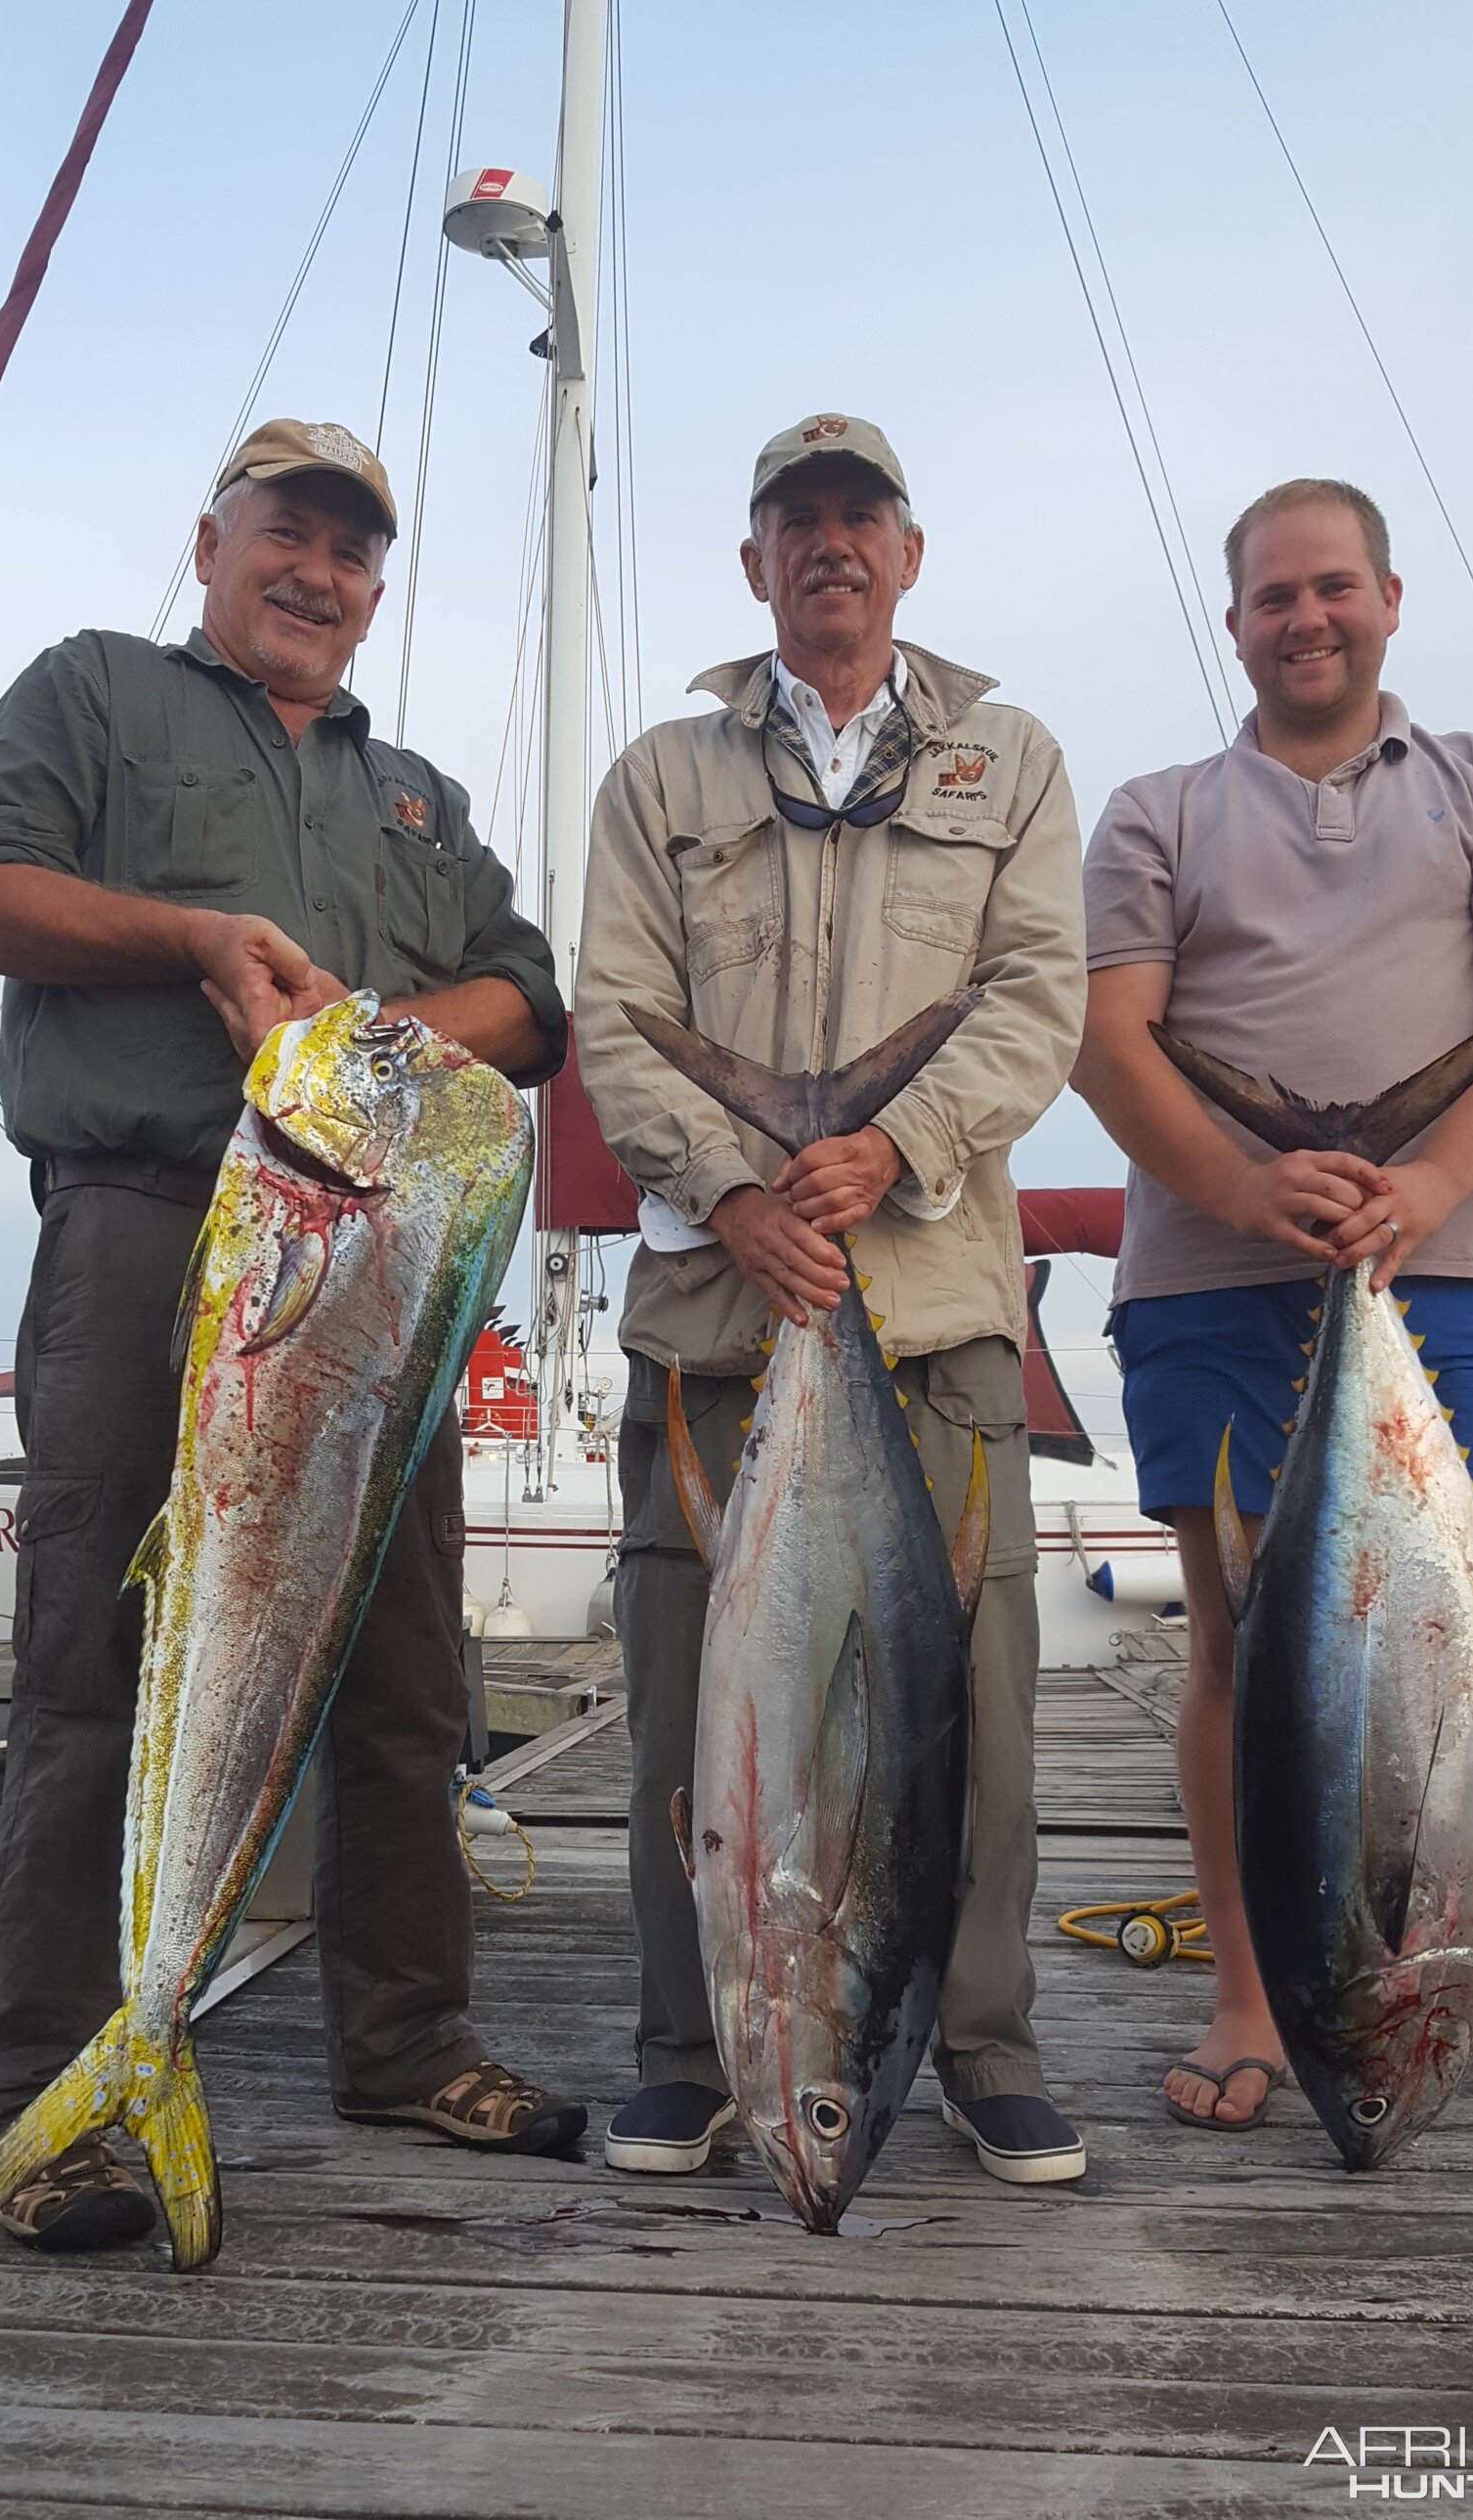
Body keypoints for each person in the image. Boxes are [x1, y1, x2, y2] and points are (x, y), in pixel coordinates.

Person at [0, 417, 585, 2254]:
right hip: (151, 1224)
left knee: (405, 1664)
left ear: (377, 592)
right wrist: (202, 939)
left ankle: (405, 2037)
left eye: (352, 553)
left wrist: (357, 1028)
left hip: (370, 1257)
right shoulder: (98, 693)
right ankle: (53, 2086)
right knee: (92, 1652)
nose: (316, 572)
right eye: (285, 534)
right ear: (210, 541)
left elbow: (529, 1000)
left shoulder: (421, 799)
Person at [1073, 475, 1473, 2153]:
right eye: (1273, 596)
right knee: (1229, 1644)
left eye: (1335, 588)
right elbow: (1113, 1039)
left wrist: (1423, 1184)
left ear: (1389, 601)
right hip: (1209, 1273)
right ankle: (1255, 1995)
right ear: (1239, 620)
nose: (1306, 617)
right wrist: (1253, 1185)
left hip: (1448, 1272)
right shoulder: (1158, 811)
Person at [575, 413, 1089, 2186]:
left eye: (859, 519)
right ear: (755, 563)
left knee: (979, 1707)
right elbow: (613, 1011)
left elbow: (1037, 998)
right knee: (688, 1703)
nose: (830, 547)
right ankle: (684, 2046)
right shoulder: (661, 778)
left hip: (932, 1319)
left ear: (908, 551)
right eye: (795, 523)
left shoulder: (1008, 758)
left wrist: (898, 1145)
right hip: (720, 1318)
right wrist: (732, 1186)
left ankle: (983, 2042)